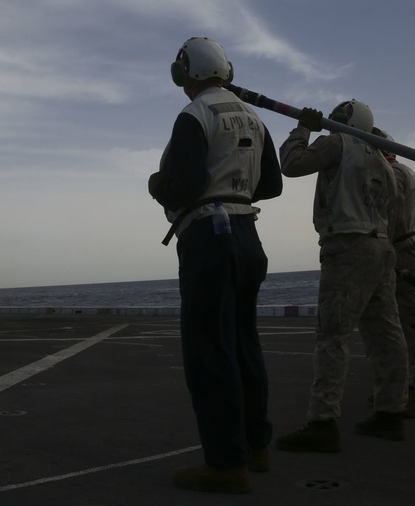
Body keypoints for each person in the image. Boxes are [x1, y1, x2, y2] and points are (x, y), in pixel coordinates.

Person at [148, 37, 283, 494]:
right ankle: (257, 446)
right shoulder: (252, 115)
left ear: (183, 73)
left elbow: (182, 187)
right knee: (245, 342)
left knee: (210, 351)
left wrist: (156, 184)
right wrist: (235, 189)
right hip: (248, 236)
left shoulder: (195, 114)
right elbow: (273, 184)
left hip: (208, 236)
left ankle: (225, 463)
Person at [275, 100, 409, 452]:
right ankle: (391, 412)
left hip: (347, 246)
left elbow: (290, 164)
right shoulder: (383, 160)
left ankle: (322, 421)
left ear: (351, 122)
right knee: (385, 333)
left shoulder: (338, 143)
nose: (332, 119)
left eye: (339, 116)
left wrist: (303, 128)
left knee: (332, 334)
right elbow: (392, 210)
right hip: (380, 246)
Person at [371, 127, 415, 417]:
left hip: (402, 251)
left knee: (413, 322)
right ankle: (408, 387)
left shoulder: (393, 175)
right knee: (411, 319)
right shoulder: (411, 173)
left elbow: (390, 213)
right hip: (414, 247)